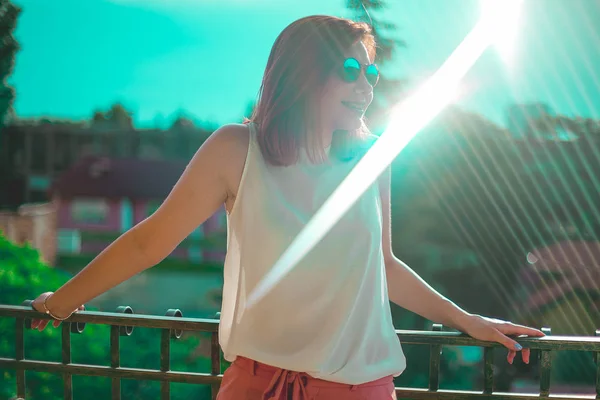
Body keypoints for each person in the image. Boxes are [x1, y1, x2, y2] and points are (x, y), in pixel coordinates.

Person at [30, 15, 544, 400]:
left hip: (359, 389)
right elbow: (151, 240)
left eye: (372, 73)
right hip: (257, 387)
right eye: (350, 70)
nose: (365, 87)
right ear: (302, 73)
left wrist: (468, 319)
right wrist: (61, 301)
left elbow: (384, 266)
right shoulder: (236, 148)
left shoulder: (372, 158)